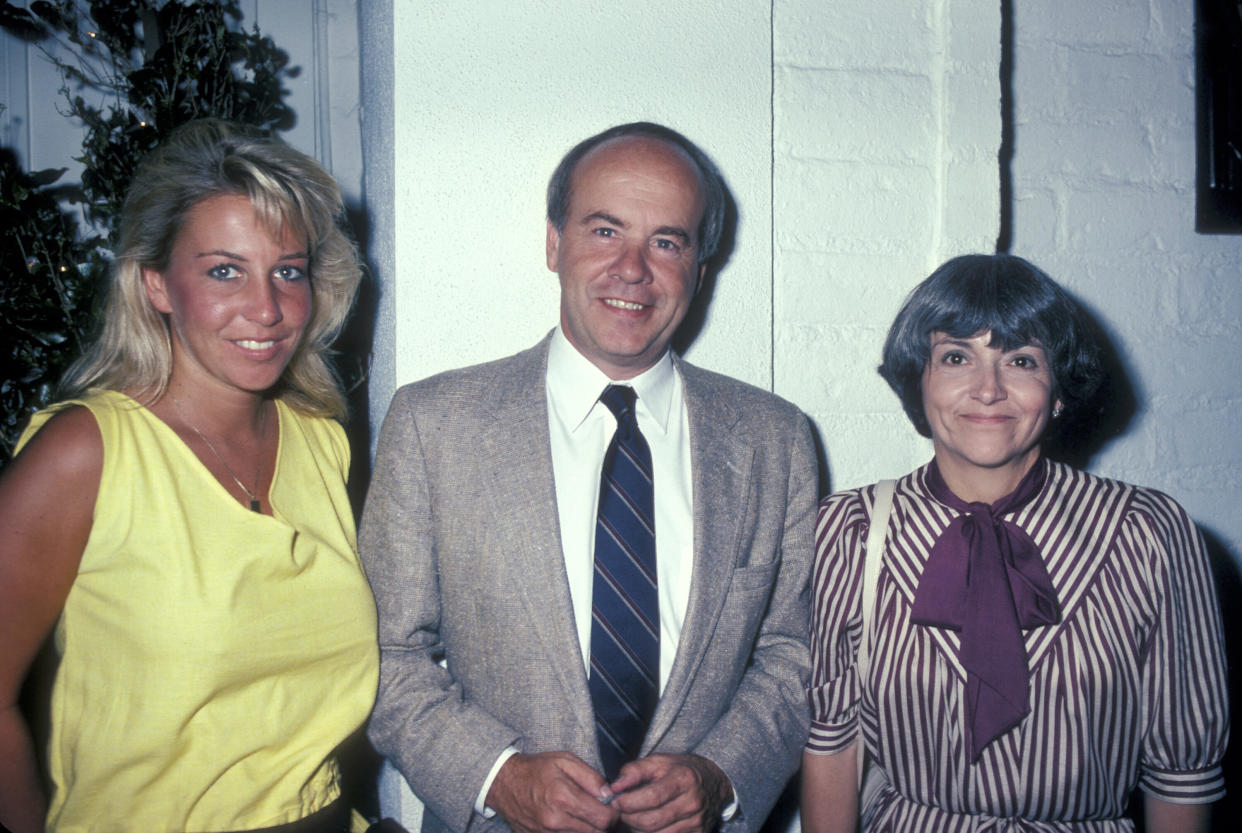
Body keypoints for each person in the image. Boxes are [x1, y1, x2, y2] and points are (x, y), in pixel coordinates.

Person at [361, 122, 816, 833]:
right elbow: (386, 652)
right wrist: (496, 774)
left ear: (699, 268)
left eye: (667, 241)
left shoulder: (774, 439)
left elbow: (797, 651)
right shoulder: (433, 424)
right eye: (605, 231)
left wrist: (721, 771)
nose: (632, 268)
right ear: (554, 243)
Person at [0, 119, 378, 833]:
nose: (266, 310)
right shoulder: (86, 453)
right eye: (224, 270)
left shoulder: (321, 440)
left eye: (287, 271)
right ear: (156, 284)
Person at [800, 254, 1229, 833]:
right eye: (956, 357)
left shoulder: (1147, 532)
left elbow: (1181, 772)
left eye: (1021, 360)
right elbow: (833, 744)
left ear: (1057, 390)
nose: (987, 389)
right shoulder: (850, 529)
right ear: (919, 380)